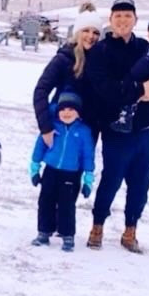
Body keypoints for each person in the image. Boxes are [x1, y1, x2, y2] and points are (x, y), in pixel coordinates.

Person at [83, 0, 149, 253]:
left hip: (145, 128)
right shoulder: (100, 52)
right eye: (117, 16)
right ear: (110, 20)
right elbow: (106, 90)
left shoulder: (146, 48)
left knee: (141, 183)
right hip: (116, 130)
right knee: (111, 180)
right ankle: (97, 225)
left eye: (127, 16)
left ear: (136, 21)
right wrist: (141, 90)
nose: (122, 20)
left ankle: (131, 230)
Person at [28, 90, 96, 251]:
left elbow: (88, 155)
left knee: (67, 205)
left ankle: (67, 236)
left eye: (71, 109)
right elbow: (40, 146)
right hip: (50, 171)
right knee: (45, 202)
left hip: (70, 175)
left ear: (78, 112)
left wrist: (88, 178)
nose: (66, 113)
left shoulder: (84, 132)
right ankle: (44, 232)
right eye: (63, 109)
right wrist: (35, 169)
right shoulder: (52, 127)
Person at [31, 8, 105, 147]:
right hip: (61, 128)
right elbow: (41, 90)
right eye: (86, 30)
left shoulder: (101, 61)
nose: (91, 36)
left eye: (95, 32)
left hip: (87, 132)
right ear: (77, 32)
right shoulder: (63, 59)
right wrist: (46, 127)